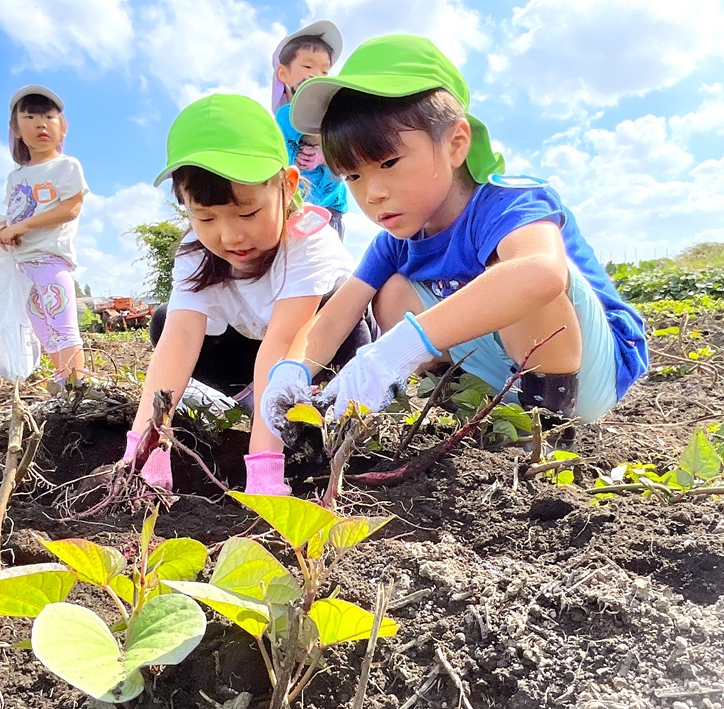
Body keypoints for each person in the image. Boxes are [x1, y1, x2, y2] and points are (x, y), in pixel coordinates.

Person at [263, 35, 649, 448]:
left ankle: (547, 432)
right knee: (390, 292)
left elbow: (541, 272)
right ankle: (473, 412)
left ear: (455, 144)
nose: (372, 193)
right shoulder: (397, 240)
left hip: (591, 372)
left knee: (519, 276)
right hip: (503, 376)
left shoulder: (508, 203)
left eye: (389, 162)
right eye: (353, 176)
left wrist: (401, 348)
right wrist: (293, 370)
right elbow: (332, 319)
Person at [126, 94, 370, 495]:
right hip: (252, 354)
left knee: (346, 313)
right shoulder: (194, 252)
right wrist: (145, 444)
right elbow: (180, 340)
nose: (230, 236)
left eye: (247, 213)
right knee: (164, 321)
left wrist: (263, 471)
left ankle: (321, 413)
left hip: (315, 355)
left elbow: (283, 342)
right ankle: (259, 404)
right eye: (205, 217)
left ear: (287, 186)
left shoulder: (308, 242)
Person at [0, 84, 88, 383]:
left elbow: (71, 208)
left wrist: (23, 226)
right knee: (42, 327)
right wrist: (3, 229)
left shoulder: (65, 166)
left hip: (50, 260)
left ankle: (78, 382)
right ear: (15, 128)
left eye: (49, 117)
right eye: (30, 117)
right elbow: (12, 214)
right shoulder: (16, 177)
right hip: (23, 266)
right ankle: (64, 379)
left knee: (63, 324)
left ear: (63, 127)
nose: (41, 123)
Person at [271, 21, 349, 239]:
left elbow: (347, 160)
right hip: (294, 213)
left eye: (324, 70)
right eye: (307, 67)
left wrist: (324, 154)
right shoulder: (283, 117)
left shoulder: (336, 115)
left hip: (330, 211)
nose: (316, 74)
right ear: (283, 74)